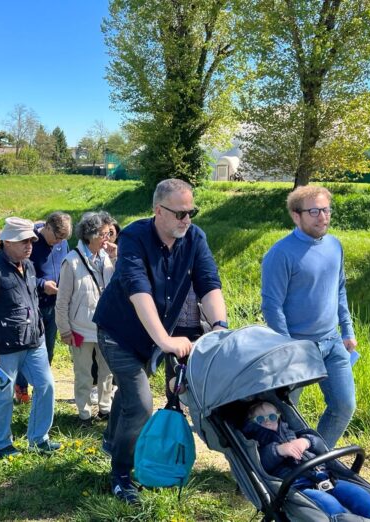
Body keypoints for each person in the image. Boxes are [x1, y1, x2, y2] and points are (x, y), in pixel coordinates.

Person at [93, 178, 228, 503]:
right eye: (179, 213)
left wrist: (220, 327)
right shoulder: (135, 237)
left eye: (191, 212)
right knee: (141, 405)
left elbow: (209, 283)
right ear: (158, 211)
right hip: (119, 333)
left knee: (129, 395)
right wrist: (166, 339)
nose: (186, 219)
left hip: (155, 334)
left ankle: (112, 441)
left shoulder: (195, 238)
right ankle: (121, 475)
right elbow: (138, 289)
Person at [261, 186, 356, 449]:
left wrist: (347, 331)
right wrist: (288, 346)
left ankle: (313, 458)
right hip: (297, 346)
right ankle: (272, 465)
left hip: (332, 342)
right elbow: (271, 305)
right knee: (287, 415)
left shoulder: (335, 246)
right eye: (314, 211)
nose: (322, 217)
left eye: (326, 210)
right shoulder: (280, 254)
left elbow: (339, 289)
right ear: (296, 215)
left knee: (344, 405)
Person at [0, 217, 60, 457]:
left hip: (34, 341)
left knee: (46, 386)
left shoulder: (28, 265)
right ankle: (2, 444)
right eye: (23, 241)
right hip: (4, 346)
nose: (29, 245)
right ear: (7, 241)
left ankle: (38, 439)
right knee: (4, 395)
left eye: (31, 240)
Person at [243, 401, 370, 518]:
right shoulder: (257, 443)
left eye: (272, 417)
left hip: (326, 477)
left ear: (278, 416)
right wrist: (278, 450)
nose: (267, 422)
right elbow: (261, 464)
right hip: (298, 487)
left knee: (361, 496)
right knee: (330, 505)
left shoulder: (291, 432)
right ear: (252, 423)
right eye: (260, 419)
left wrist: (306, 441)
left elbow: (320, 445)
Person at [56, 211, 115, 425]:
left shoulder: (107, 258)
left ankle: (105, 408)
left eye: (108, 233)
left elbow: (118, 284)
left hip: (106, 327)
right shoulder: (71, 261)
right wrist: (64, 329)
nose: (107, 238)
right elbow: (62, 301)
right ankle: (84, 413)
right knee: (83, 374)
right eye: (103, 234)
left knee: (107, 372)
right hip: (80, 328)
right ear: (90, 235)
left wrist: (116, 257)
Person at [12, 212, 71, 404]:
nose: (58, 242)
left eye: (62, 240)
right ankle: (21, 387)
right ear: (47, 227)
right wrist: (42, 284)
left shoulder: (62, 243)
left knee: (49, 349)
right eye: (56, 238)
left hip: (54, 304)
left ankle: (41, 386)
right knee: (28, 348)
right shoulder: (31, 243)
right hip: (32, 305)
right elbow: (20, 274)